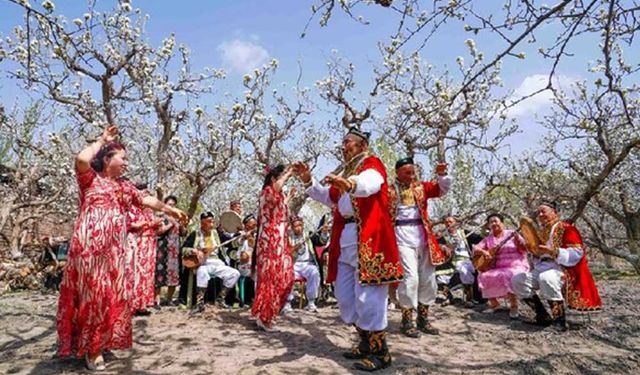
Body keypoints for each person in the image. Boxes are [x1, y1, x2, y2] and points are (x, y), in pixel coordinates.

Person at [57, 126, 187, 371]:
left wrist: (170, 210)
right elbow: (82, 159)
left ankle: (99, 342)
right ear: (107, 159)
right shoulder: (90, 179)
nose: (126, 163)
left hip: (115, 252)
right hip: (90, 251)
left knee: (110, 297)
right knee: (93, 296)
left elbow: (146, 199)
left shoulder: (123, 186)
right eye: (122, 158)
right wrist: (103, 139)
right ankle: (92, 350)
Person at [296, 127, 403, 372]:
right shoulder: (346, 171)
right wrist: (306, 179)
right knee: (345, 299)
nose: (344, 147)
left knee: (370, 299)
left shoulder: (371, 163)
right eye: (343, 143)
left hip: (370, 240)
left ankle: (381, 353)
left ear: (362, 146)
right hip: (345, 241)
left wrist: (348, 182)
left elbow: (370, 185)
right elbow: (329, 197)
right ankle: (365, 343)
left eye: (349, 143)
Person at [387, 157, 452, 338]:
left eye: (413, 172)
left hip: (423, 235)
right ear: (397, 172)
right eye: (407, 172)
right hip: (400, 235)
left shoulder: (421, 187)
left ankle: (423, 319)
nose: (411, 175)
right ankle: (406, 321)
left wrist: (442, 174)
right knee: (410, 278)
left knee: (429, 279)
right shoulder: (389, 191)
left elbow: (442, 189)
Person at [512, 202, 602, 331]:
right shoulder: (541, 231)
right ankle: (542, 316)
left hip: (561, 267)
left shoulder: (567, 228)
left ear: (554, 212)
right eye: (539, 213)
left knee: (546, 278)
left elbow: (577, 253)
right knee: (518, 280)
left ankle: (559, 321)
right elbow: (537, 253)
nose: (541, 215)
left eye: (544, 211)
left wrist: (553, 251)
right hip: (542, 266)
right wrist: (529, 249)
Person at [251, 164, 296, 330]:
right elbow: (275, 191)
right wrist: (289, 173)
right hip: (268, 243)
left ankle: (267, 312)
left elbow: (280, 209)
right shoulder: (267, 192)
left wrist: (289, 197)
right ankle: (265, 317)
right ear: (273, 179)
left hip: (280, 243)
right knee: (270, 279)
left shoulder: (277, 196)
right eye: (281, 177)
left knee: (286, 277)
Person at [473, 213, 529, 319]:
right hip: (499, 267)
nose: (494, 223)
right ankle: (495, 305)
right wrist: (484, 252)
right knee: (483, 275)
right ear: (488, 225)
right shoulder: (488, 239)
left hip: (516, 265)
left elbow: (524, 248)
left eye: (496, 221)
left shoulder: (512, 234)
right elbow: (475, 248)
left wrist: (518, 241)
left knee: (506, 275)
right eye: (491, 222)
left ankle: (514, 306)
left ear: (502, 223)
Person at [182, 212, 241, 313]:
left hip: (217, 262)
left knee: (235, 273)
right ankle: (200, 304)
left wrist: (241, 237)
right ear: (202, 223)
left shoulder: (217, 233)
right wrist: (194, 251)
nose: (211, 224)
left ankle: (220, 299)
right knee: (201, 273)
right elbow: (183, 249)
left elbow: (231, 243)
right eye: (209, 222)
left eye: (213, 221)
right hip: (204, 263)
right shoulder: (195, 234)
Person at [126, 183, 163, 316]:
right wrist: (149, 224)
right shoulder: (132, 207)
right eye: (144, 193)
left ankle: (142, 305)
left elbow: (154, 227)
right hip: (139, 241)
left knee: (147, 274)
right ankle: (132, 305)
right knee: (137, 273)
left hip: (150, 242)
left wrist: (156, 225)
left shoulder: (148, 210)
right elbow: (131, 224)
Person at [438, 215, 483, 307]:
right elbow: (435, 244)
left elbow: (480, 240)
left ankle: (469, 299)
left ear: (456, 223)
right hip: (450, 262)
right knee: (438, 276)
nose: (448, 224)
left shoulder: (464, 233)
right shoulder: (443, 236)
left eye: (450, 221)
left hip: (465, 260)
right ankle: (449, 297)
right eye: (446, 222)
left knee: (464, 270)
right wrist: (443, 246)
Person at [282, 216, 322, 313]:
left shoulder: (309, 235)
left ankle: (311, 302)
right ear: (292, 227)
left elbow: (321, 242)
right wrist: (293, 248)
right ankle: (287, 303)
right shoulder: (287, 237)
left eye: (300, 225)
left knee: (314, 272)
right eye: (296, 226)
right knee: (287, 274)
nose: (298, 228)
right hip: (294, 265)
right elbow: (285, 252)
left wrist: (324, 233)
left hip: (307, 264)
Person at [155, 195, 183, 307]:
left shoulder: (178, 218)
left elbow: (183, 233)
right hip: (162, 248)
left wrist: (181, 225)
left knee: (174, 275)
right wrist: (171, 224)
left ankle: (169, 299)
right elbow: (159, 231)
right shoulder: (160, 217)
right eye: (169, 204)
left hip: (175, 249)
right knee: (159, 274)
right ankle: (156, 301)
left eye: (173, 205)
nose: (172, 206)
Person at [236, 214, 258, 307]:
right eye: (252, 225)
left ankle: (257, 300)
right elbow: (238, 242)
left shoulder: (257, 235)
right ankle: (245, 301)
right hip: (243, 263)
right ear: (246, 225)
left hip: (255, 263)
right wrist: (245, 236)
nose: (254, 227)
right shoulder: (239, 234)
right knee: (250, 274)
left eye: (255, 225)